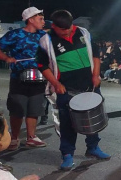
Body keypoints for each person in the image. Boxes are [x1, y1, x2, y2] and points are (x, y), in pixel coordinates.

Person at [36, 10, 111, 170]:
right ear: (54, 26)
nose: (67, 32)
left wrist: (96, 75)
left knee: (91, 119)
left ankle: (93, 148)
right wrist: (55, 83)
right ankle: (67, 155)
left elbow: (96, 55)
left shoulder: (83, 33)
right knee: (67, 123)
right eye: (63, 30)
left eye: (69, 28)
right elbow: (42, 65)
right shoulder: (46, 40)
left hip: (89, 86)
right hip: (66, 89)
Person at [0, 7, 49, 150]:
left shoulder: (44, 36)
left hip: (40, 77)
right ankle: (14, 138)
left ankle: (31, 137)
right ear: (30, 20)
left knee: (34, 108)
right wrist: (5, 57)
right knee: (17, 107)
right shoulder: (15, 34)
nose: (43, 21)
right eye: (40, 18)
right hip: (19, 77)